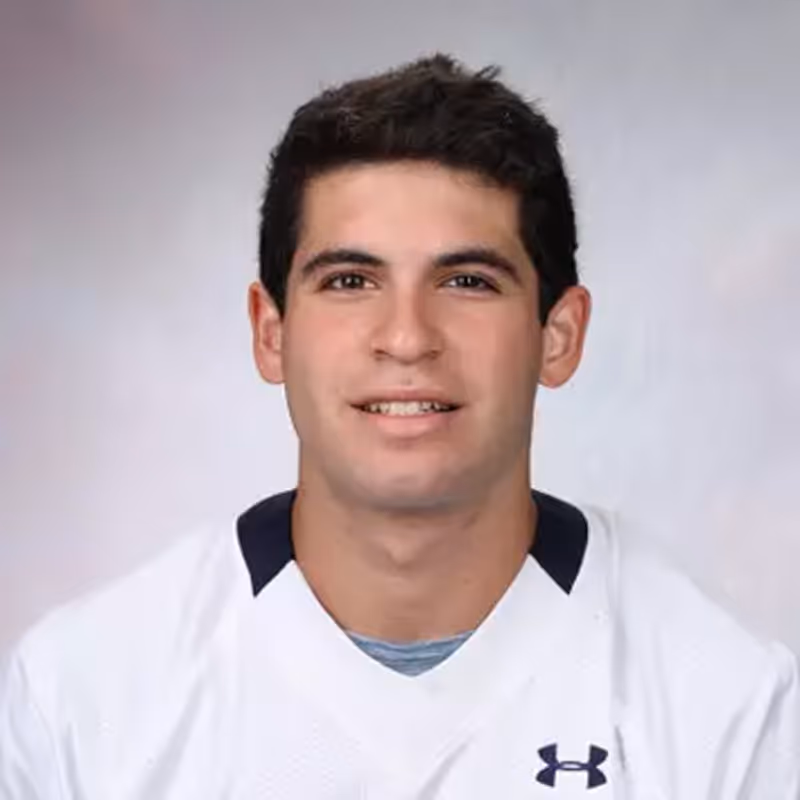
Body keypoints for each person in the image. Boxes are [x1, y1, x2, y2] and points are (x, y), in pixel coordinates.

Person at [1, 53, 797, 799]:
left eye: (467, 281)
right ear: (270, 331)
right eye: (350, 280)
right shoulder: (80, 699)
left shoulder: (729, 711)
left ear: (559, 335)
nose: (408, 337)